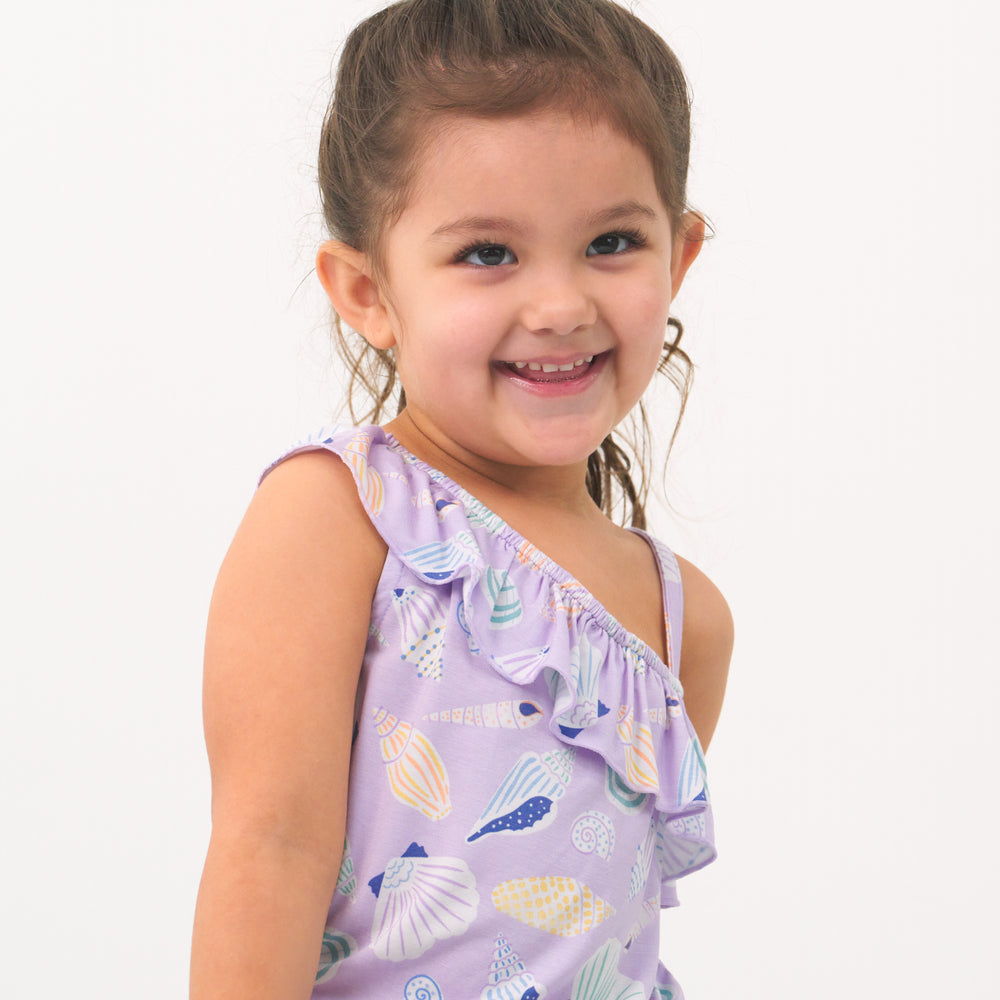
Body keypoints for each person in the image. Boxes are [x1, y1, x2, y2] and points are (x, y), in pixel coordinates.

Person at [190, 1, 733, 997]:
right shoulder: (337, 516)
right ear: (367, 292)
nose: (561, 304)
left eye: (611, 241)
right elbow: (266, 853)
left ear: (680, 256)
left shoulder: (683, 618)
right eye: (487, 253)